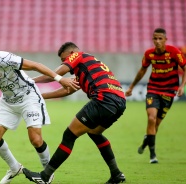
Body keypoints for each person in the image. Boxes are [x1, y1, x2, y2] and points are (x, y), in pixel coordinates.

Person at [0, 39, 79, 184]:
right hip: (8, 100)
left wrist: (60, 79)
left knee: (35, 140)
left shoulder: (3, 58)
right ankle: (14, 168)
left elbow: (36, 65)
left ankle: (47, 174)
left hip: (28, 96)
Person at [22, 42, 126, 184]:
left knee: (69, 136)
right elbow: (68, 89)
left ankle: (45, 177)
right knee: (94, 133)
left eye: (64, 60)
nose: (64, 63)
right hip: (119, 102)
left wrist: (28, 81)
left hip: (104, 99)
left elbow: (55, 74)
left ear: (71, 54)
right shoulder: (87, 66)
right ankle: (116, 173)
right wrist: (40, 96)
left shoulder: (78, 55)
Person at [125, 28, 186, 164]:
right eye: (155, 39)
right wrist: (131, 87)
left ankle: (146, 141)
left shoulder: (175, 52)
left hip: (169, 91)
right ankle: (153, 155)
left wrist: (181, 86)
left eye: (160, 39)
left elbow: (185, 67)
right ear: (153, 40)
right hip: (153, 89)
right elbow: (142, 71)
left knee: (156, 124)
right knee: (151, 119)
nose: (157, 41)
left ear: (165, 40)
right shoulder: (149, 54)